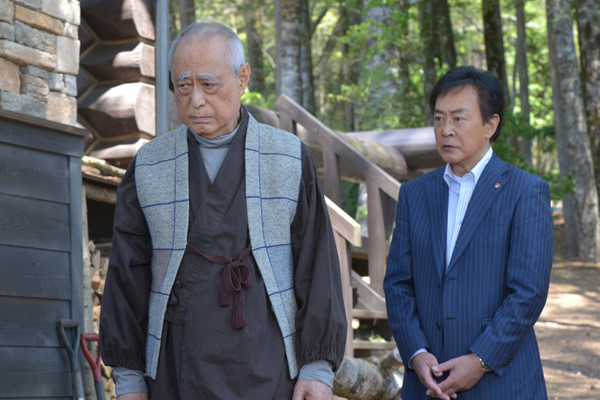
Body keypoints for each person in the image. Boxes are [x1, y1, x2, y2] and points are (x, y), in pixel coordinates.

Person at [99, 22, 347, 400]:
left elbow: (318, 267)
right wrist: (129, 379)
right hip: (175, 366)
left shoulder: (288, 157)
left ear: (242, 78)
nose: (195, 100)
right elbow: (126, 276)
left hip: (268, 362)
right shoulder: (149, 166)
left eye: (208, 84)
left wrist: (317, 368)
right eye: (183, 86)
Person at [383, 66, 553, 399]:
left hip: (502, 382)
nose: (446, 130)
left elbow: (528, 292)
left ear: (491, 125)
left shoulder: (525, 191)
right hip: (427, 382)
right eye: (439, 119)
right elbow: (398, 283)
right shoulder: (415, 194)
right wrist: (415, 352)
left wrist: (480, 360)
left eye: (458, 119)